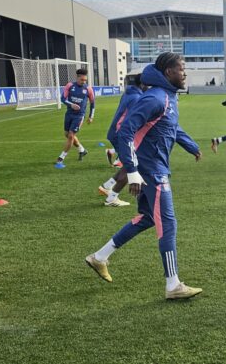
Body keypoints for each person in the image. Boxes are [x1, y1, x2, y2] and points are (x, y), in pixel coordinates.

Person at [85, 52, 203, 300]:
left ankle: (100, 257)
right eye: (182, 68)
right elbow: (124, 131)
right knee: (168, 224)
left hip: (155, 167)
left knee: (148, 218)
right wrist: (133, 170)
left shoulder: (167, 97)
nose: (185, 73)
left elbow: (172, 128)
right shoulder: (155, 97)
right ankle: (173, 285)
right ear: (169, 72)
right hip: (152, 171)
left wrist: (191, 145)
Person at [98, 73, 146, 207]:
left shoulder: (129, 94)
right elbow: (131, 121)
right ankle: (112, 198)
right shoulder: (137, 98)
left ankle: (107, 186)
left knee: (128, 164)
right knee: (132, 165)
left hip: (116, 133)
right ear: (142, 84)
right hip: (122, 135)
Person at [55, 68, 95, 167]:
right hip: (69, 114)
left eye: (85, 80)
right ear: (77, 78)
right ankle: (82, 150)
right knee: (67, 134)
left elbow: (93, 104)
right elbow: (63, 99)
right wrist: (71, 105)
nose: (83, 82)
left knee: (71, 135)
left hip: (79, 116)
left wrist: (91, 116)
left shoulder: (88, 89)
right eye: (82, 80)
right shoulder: (70, 85)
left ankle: (61, 157)